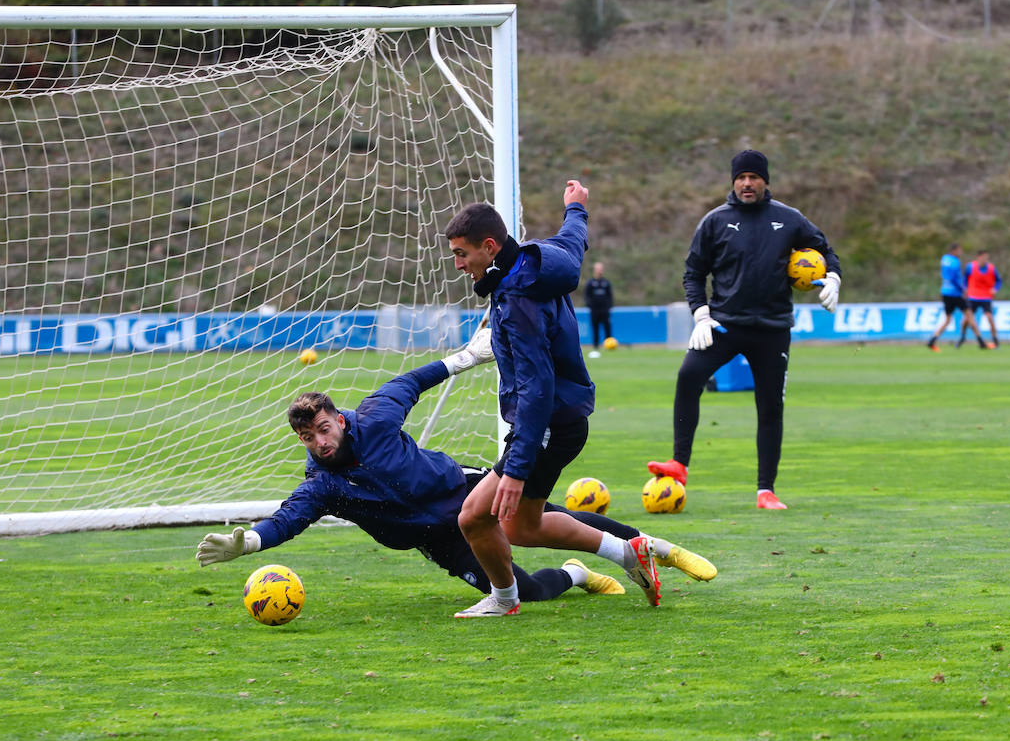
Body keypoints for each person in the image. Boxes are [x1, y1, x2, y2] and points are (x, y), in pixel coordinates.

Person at [194, 342, 717, 612]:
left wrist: (467, 358)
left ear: (341, 420)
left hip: (462, 489)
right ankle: (577, 575)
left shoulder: (376, 416)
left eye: (324, 429)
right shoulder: (322, 484)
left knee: (546, 520)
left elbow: (411, 381)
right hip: (437, 539)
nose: (319, 442)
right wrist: (251, 543)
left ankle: (659, 547)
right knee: (527, 592)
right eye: (308, 437)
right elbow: (288, 519)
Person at [444, 181, 665, 617]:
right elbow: (573, 241)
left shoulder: (518, 299)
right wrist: (576, 208)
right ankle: (627, 552)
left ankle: (505, 600)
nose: (458, 265)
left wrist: (516, 469)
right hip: (562, 420)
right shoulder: (541, 258)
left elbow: (537, 387)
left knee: (473, 517)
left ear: (489, 247)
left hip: (545, 424)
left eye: (461, 254)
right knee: (521, 526)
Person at [645, 149, 841, 511]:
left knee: (770, 406)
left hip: (773, 328)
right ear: (733, 182)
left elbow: (826, 252)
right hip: (723, 324)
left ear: (765, 181)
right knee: (688, 376)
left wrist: (833, 278)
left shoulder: (789, 219)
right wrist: (701, 314)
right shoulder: (715, 221)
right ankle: (679, 463)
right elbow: (693, 273)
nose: (747, 183)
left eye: (754, 177)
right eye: (741, 178)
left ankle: (766, 490)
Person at [926, 243, 983, 351]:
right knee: (970, 315)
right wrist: (962, 290)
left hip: (945, 292)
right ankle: (981, 342)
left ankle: (932, 341)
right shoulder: (955, 262)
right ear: (953, 251)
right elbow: (953, 279)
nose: (961, 252)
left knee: (948, 320)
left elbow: (946, 275)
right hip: (955, 294)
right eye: (959, 250)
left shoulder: (944, 259)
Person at [960, 249, 1001, 348]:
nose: (985, 259)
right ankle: (962, 337)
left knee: (990, 318)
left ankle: (995, 341)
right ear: (978, 257)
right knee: (965, 320)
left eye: (987, 257)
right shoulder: (970, 267)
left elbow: (999, 281)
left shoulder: (991, 268)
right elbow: (964, 279)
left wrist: (995, 289)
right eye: (984, 257)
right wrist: (965, 289)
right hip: (973, 297)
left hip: (986, 297)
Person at [584, 261, 614, 354]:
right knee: (595, 328)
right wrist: (590, 305)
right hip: (594, 310)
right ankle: (596, 346)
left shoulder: (606, 282)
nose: (600, 270)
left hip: (605, 310)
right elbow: (587, 295)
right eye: (598, 269)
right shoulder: (590, 283)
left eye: (601, 269)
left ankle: (609, 346)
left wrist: (609, 306)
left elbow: (610, 296)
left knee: (607, 328)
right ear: (594, 270)